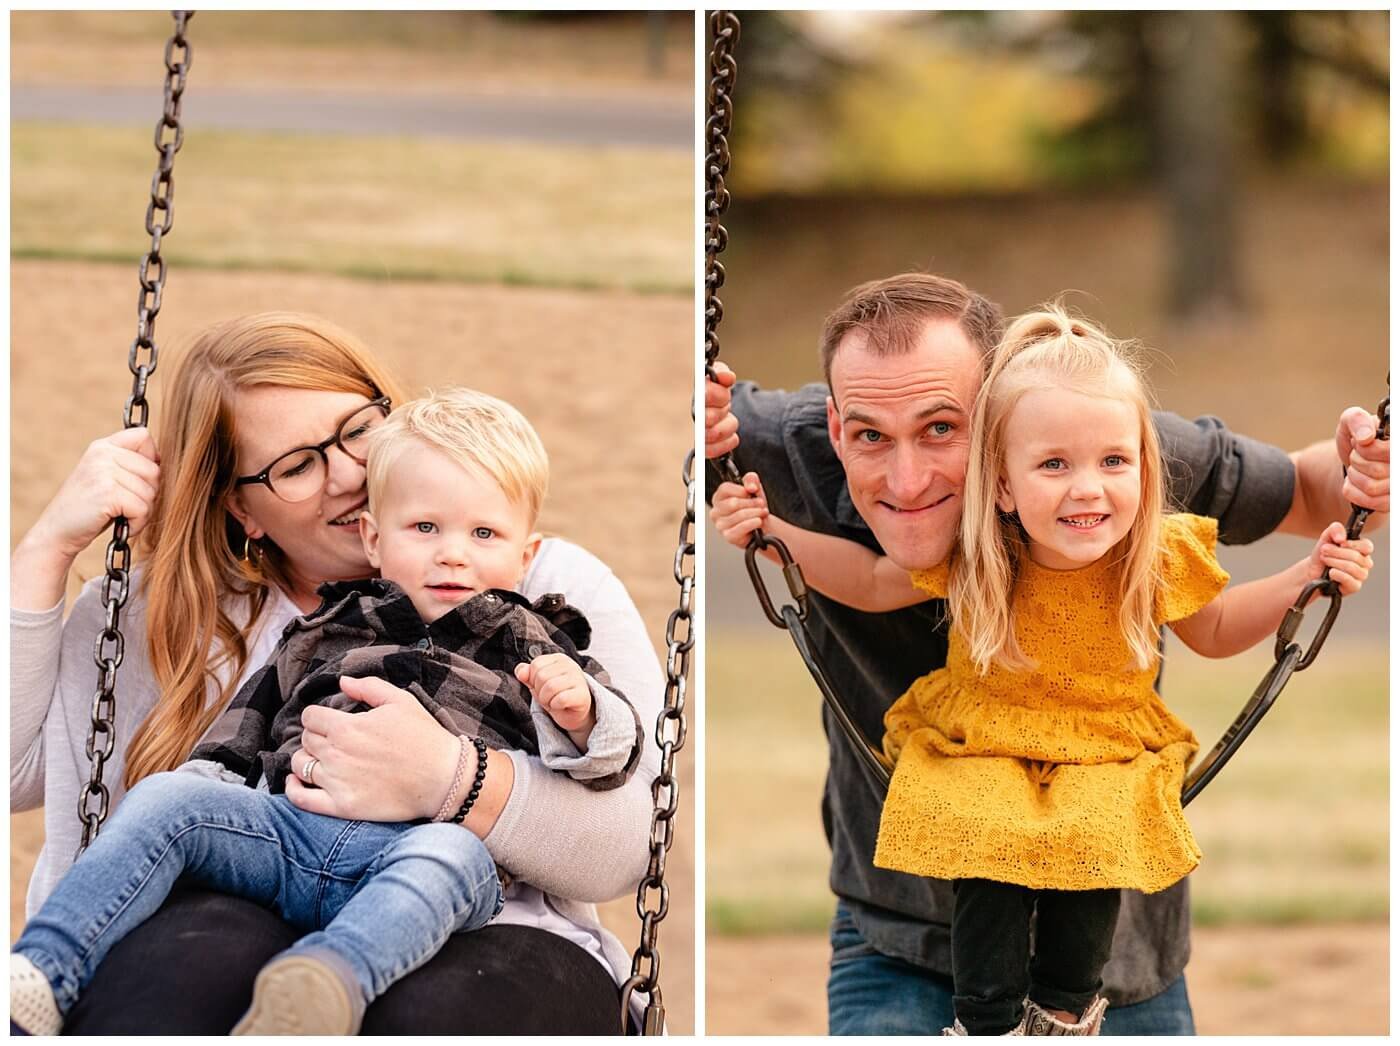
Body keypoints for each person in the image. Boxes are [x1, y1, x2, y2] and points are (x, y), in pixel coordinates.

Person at [703, 273, 1389, 1035]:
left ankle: (1064, 1006)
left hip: (1123, 946)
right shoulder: (796, 449)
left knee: (1090, 861)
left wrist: (1353, 487)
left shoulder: (1119, 444)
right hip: (897, 930)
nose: (907, 476)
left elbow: (1302, 502)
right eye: (871, 435)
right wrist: (765, 527)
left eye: (940, 428)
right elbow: (865, 578)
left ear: (1001, 406)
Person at [11, 313, 662, 1034]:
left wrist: (451, 776)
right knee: (167, 987)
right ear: (241, 508)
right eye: (296, 465)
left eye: (359, 430)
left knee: (431, 1014)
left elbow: (631, 840)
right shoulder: (157, 611)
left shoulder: (544, 592)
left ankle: (332, 980)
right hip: (263, 866)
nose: (351, 476)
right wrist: (46, 549)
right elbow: (15, 776)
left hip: (493, 919)